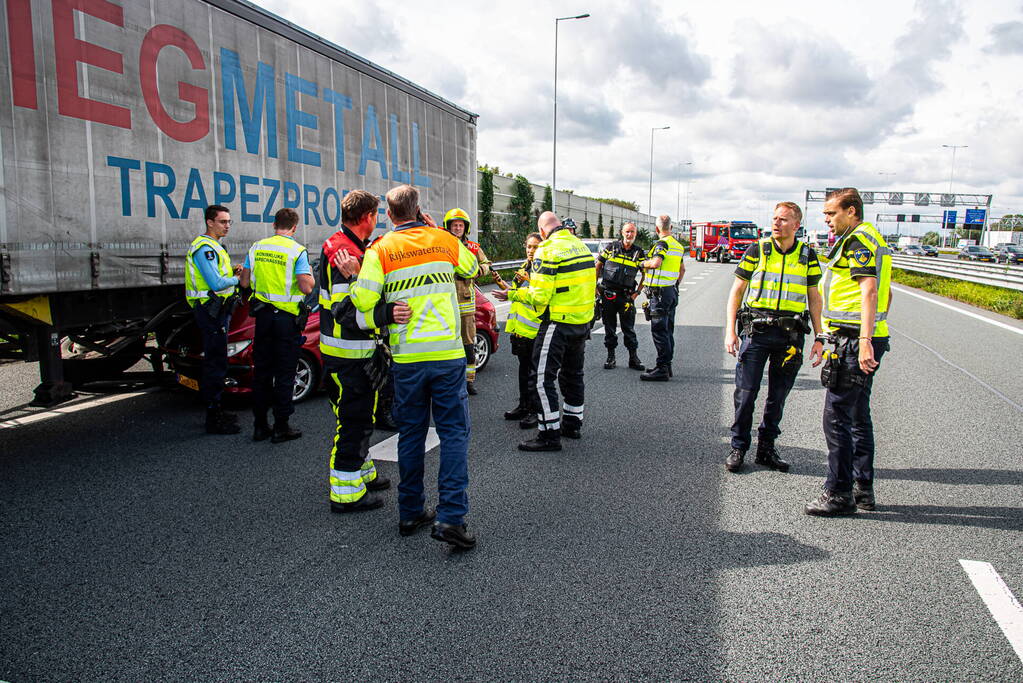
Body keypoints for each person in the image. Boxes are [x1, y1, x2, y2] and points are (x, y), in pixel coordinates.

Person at [349, 185, 480, 550]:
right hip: (447, 356)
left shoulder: (380, 250)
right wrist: (436, 228)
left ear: (389, 215)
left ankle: (410, 512)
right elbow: (471, 267)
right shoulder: (443, 240)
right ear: (420, 210)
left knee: (411, 435)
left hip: (407, 359)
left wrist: (353, 275)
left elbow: (362, 300)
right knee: (454, 433)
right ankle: (451, 517)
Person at [319, 190, 411, 513]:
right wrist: (387, 314)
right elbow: (349, 312)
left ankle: (363, 473)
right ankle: (346, 493)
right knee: (353, 421)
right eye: (377, 216)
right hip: (349, 355)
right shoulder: (344, 254)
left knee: (362, 417)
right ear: (368, 217)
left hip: (351, 354)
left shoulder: (351, 247)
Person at [804, 187, 892, 517]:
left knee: (837, 417)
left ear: (851, 211)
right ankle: (862, 489)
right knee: (857, 415)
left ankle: (839, 493)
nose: (826, 220)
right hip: (862, 337)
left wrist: (866, 339)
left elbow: (869, 291)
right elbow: (886, 293)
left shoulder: (858, 241)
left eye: (831, 214)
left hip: (856, 341)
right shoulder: (870, 238)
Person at [723, 202, 823, 473]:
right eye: (775, 218)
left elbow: (814, 297)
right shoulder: (758, 250)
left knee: (778, 396)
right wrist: (730, 331)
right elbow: (737, 291)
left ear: (796, 225)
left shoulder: (808, 255)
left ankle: (766, 448)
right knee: (745, 394)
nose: (776, 223)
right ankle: (739, 447)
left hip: (790, 336)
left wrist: (819, 335)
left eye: (783, 219)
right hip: (756, 332)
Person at [494, 211, 596, 452]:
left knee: (541, 378)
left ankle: (549, 434)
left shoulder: (547, 250)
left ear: (542, 231)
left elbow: (539, 295)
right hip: (581, 322)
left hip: (557, 323)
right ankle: (572, 424)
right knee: (573, 375)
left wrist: (512, 293)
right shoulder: (580, 246)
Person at [238, 208, 315, 443]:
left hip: (262, 319)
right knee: (284, 373)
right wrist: (310, 277)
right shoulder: (297, 251)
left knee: (261, 372)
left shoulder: (257, 247)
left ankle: (260, 425)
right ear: (294, 227)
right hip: (285, 321)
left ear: (274, 225)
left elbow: (244, 282)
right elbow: (306, 288)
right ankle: (282, 426)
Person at [184, 205, 242, 434]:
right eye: (222, 222)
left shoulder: (215, 247)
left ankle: (217, 409)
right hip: (210, 311)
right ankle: (213, 416)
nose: (227, 225)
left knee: (219, 361)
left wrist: (231, 275)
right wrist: (237, 279)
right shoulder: (204, 248)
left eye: (229, 222)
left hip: (217, 311)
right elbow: (216, 283)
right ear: (210, 222)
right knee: (215, 363)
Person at [443, 208, 495, 396]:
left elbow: (487, 265)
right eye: (454, 225)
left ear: (465, 228)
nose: (457, 228)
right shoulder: (442, 245)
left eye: (460, 225)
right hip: (445, 305)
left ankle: (468, 381)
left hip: (465, 305)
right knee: (447, 346)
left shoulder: (473, 247)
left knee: (468, 344)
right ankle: (450, 382)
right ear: (448, 227)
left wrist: (476, 272)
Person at [502, 232, 543, 429]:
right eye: (529, 247)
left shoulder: (543, 269)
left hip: (536, 330)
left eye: (535, 247)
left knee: (535, 374)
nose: (531, 251)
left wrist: (530, 279)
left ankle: (536, 412)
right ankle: (523, 406)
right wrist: (504, 287)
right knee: (523, 370)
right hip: (520, 329)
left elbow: (543, 294)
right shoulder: (524, 267)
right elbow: (516, 292)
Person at [640, 215, 686, 381]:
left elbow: (656, 263)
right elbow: (682, 270)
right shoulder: (678, 246)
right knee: (668, 330)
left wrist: (643, 263)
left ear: (657, 229)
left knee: (659, 331)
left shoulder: (662, 243)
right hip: (671, 292)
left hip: (659, 295)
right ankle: (667, 365)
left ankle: (662, 369)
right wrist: (674, 285)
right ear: (671, 228)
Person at [595, 222, 646, 371]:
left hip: (626, 297)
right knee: (609, 328)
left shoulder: (639, 253)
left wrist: (637, 293)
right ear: (622, 233)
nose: (630, 235)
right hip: (608, 295)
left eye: (632, 232)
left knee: (628, 329)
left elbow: (646, 275)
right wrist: (594, 287)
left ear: (635, 234)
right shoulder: (611, 248)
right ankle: (611, 357)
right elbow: (598, 266)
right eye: (627, 232)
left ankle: (633, 358)